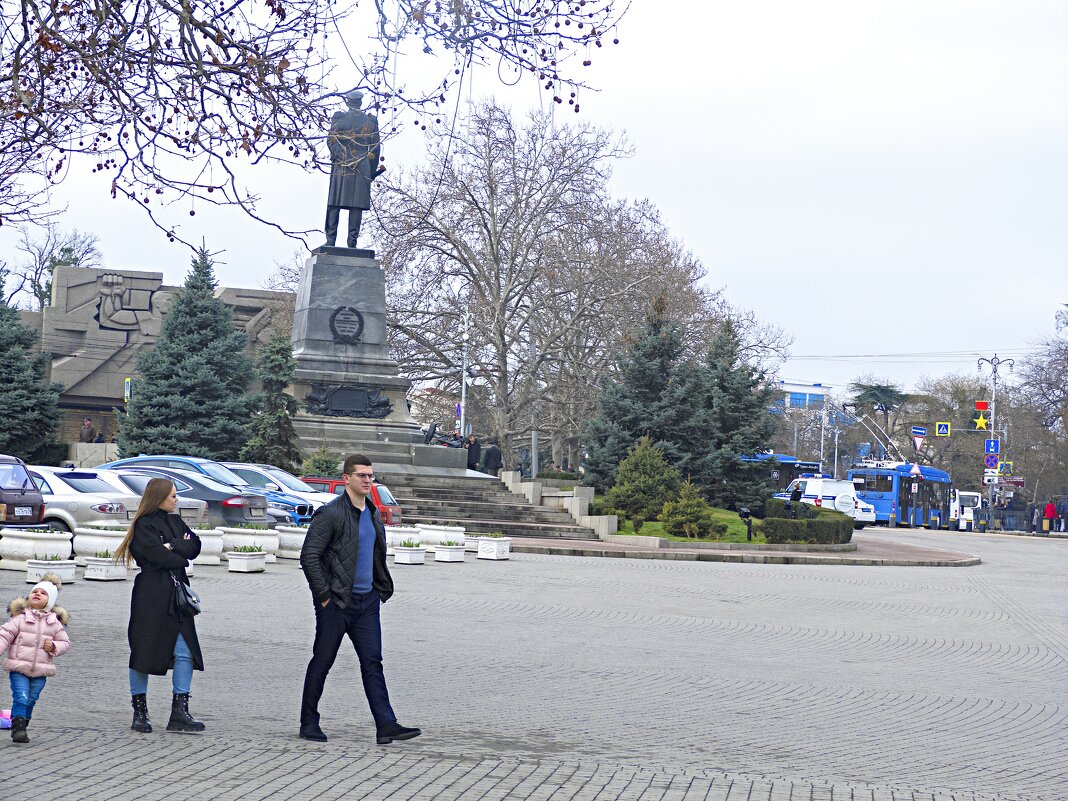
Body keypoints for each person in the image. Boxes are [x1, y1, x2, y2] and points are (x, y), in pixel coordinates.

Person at [298, 454, 420, 745]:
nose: (368, 480)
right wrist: (324, 596)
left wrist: (379, 588)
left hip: (367, 603)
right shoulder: (331, 514)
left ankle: (386, 725)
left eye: (370, 476)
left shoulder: (373, 512)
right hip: (336, 603)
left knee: (372, 662)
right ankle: (308, 722)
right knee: (323, 661)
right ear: (347, 479)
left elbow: (375, 555)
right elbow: (309, 556)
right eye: (362, 475)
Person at [114, 478, 205, 734]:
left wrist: (174, 546)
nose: (177, 500)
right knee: (143, 650)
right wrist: (177, 551)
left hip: (177, 595)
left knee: (185, 650)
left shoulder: (176, 521)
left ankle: (179, 711)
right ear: (160, 497)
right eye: (173, 496)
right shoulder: (144, 524)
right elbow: (156, 555)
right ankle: (140, 712)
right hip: (151, 595)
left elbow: (195, 545)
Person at [0, 575, 71, 743]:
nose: (37, 594)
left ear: (50, 601)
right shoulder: (20, 619)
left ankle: (24, 720)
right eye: (35, 591)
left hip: (41, 671)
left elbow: (65, 642)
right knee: (21, 697)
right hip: (19, 668)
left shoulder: (54, 623)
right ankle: (18, 728)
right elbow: (4, 635)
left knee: (32, 699)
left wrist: (54, 646)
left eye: (43, 593)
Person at [321, 89, 383, 249]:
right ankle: (351, 243)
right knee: (355, 206)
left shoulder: (340, 118)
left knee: (335, 203)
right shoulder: (371, 122)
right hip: (362, 166)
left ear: (348, 102)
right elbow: (375, 149)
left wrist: (343, 158)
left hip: (342, 165)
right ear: (361, 102)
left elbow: (331, 142)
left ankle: (330, 241)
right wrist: (371, 171)